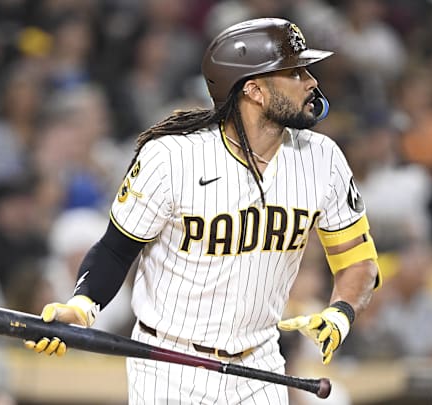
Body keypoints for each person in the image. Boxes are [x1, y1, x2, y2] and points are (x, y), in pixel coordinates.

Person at [25, 18, 380, 404]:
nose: (311, 81)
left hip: (260, 364)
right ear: (255, 90)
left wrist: (341, 312)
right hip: (170, 365)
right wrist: (81, 306)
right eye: (295, 72)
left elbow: (358, 261)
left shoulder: (323, 158)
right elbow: (115, 248)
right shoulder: (173, 157)